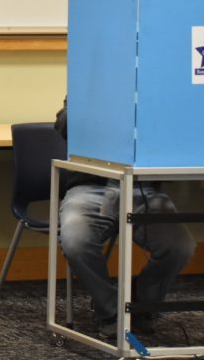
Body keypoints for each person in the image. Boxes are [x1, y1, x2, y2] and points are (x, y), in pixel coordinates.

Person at [54, 100, 195, 338]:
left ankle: (142, 305)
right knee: (76, 242)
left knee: (179, 246)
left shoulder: (159, 88)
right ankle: (111, 311)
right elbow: (63, 123)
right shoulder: (94, 81)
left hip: (143, 190)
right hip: (92, 185)